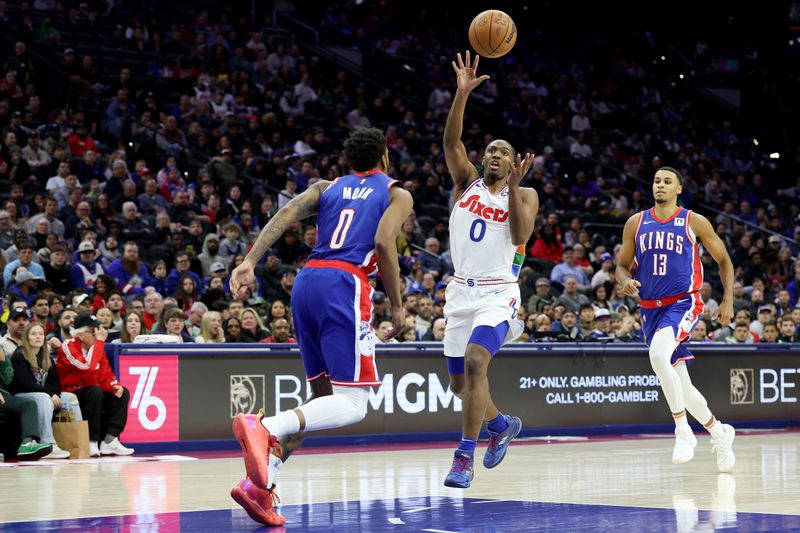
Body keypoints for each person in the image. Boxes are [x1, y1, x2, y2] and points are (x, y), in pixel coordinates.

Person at [228, 127, 412, 526]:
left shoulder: (327, 187)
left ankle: (258, 486)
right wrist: (397, 307)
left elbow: (285, 214)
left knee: (322, 400)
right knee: (353, 405)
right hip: (345, 283)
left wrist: (249, 262)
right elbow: (383, 244)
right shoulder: (397, 192)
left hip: (307, 282)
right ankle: (264, 426)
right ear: (385, 156)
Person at [439, 51, 537, 489]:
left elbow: (519, 233)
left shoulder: (526, 194)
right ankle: (500, 426)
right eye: (491, 150)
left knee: (478, 363)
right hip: (460, 291)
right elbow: (450, 143)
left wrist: (515, 188)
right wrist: (461, 95)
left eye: (504, 151)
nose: (496, 154)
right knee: (461, 387)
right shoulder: (466, 183)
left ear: (515, 161)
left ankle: (463, 458)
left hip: (499, 291)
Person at [616, 166, 736, 473]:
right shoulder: (636, 222)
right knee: (684, 387)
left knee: (658, 354)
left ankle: (682, 430)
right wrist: (624, 280)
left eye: (667, 181)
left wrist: (727, 300)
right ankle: (720, 434)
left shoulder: (693, 221)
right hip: (649, 309)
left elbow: (723, 260)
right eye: (657, 180)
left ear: (678, 189)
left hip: (683, 302)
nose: (660, 185)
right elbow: (621, 266)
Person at [56, 313, 135, 457]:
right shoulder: (68, 346)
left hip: (92, 393)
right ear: (79, 334)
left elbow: (105, 374)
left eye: (97, 330)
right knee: (95, 391)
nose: (96, 334)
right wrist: (99, 342)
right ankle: (92, 442)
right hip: (71, 393)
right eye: (92, 331)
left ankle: (110, 440)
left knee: (123, 393)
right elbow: (86, 367)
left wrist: (114, 386)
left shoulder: (97, 349)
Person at [10, 322, 79, 459]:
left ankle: (78, 443)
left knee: (71, 398)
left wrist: (55, 394)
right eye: (33, 334)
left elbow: (55, 384)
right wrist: (50, 394)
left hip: (44, 394)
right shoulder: (19, 356)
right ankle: (48, 444)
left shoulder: (47, 358)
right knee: (44, 398)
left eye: (41, 334)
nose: (38, 337)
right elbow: (25, 384)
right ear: (26, 337)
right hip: (22, 394)